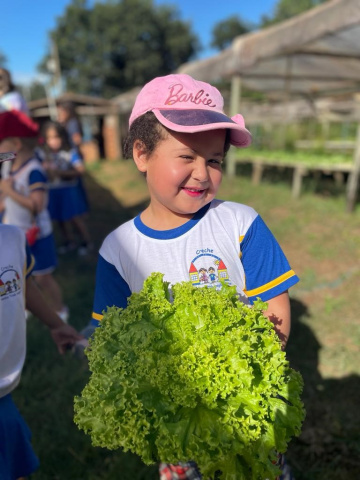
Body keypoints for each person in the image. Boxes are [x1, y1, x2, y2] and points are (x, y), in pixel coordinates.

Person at [88, 74, 299, 479]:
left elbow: (275, 303)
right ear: (141, 154)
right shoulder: (117, 250)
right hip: (175, 418)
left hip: (241, 403)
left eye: (215, 160)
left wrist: (256, 373)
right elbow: (109, 341)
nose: (203, 173)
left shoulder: (239, 223)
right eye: (186, 156)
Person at [0, 222, 82, 480]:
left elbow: (22, 283)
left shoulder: (11, 238)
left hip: (4, 393)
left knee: (14, 466)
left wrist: (56, 324)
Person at [0, 110, 70, 322]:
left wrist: (9, 191)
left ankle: (60, 310)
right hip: (19, 235)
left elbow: (37, 206)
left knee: (43, 277)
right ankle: (29, 307)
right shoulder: (11, 164)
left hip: (36, 237)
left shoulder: (34, 171)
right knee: (23, 275)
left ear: (15, 144)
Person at [41, 121, 92, 255]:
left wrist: (60, 173)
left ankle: (86, 242)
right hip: (53, 190)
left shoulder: (70, 152)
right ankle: (69, 242)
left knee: (75, 218)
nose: (52, 141)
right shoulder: (44, 155)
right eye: (49, 138)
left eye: (55, 137)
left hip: (68, 191)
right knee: (60, 219)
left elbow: (80, 170)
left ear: (63, 137)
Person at [57, 101, 92, 255]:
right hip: (68, 169)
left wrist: (72, 153)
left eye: (60, 112)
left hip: (70, 168)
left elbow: (77, 141)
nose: (59, 115)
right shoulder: (71, 123)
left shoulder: (71, 125)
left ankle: (84, 240)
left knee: (75, 208)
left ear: (66, 111)